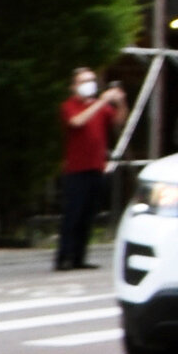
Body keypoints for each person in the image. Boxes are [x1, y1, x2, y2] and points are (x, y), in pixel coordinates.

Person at [54, 65, 126, 269]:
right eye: (84, 81)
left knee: (88, 215)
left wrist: (120, 102)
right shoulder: (70, 106)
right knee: (73, 215)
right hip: (76, 170)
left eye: (91, 80)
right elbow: (77, 122)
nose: (89, 85)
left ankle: (79, 257)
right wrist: (102, 101)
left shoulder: (99, 107)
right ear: (74, 86)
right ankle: (63, 257)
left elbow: (118, 120)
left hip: (97, 167)